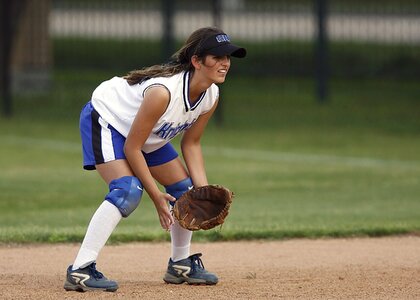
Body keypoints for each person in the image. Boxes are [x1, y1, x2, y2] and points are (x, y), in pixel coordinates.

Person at [63, 26, 246, 292]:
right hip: (109, 120)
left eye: (228, 57)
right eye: (217, 57)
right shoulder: (163, 93)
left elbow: (191, 143)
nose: (225, 63)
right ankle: (80, 269)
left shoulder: (211, 95)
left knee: (186, 191)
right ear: (196, 61)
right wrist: (155, 196)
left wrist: (202, 190)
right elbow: (132, 148)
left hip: (147, 134)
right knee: (127, 190)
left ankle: (180, 264)